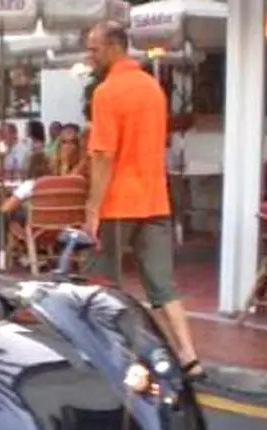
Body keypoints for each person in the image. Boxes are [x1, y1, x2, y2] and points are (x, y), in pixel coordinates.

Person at [84, 20, 206, 381]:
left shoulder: (107, 92)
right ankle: (189, 356)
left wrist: (92, 208)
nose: (89, 56)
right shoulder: (153, 88)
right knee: (163, 285)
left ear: (113, 47)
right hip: (154, 199)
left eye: (94, 49)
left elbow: (103, 156)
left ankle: (109, 354)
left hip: (118, 202)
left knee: (102, 282)